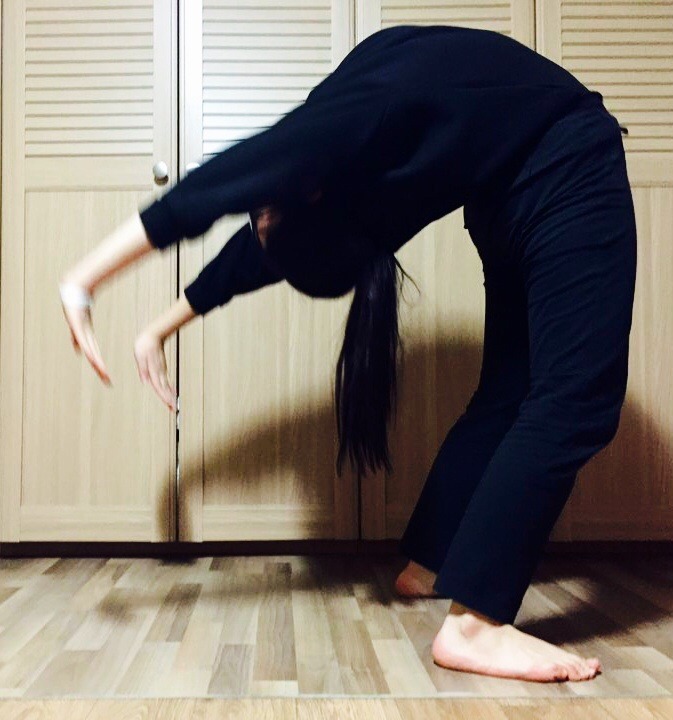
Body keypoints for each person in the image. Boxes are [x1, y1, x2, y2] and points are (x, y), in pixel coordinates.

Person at [60, 24, 637, 683]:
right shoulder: (343, 169)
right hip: (558, 165)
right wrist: (153, 325)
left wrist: (88, 279)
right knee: (575, 399)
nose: (256, 214)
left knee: (513, 391)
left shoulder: (346, 129)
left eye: (261, 215)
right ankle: (476, 626)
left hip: (516, 184)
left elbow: (216, 192)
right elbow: (254, 250)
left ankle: (432, 564)